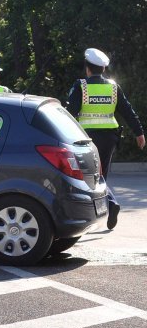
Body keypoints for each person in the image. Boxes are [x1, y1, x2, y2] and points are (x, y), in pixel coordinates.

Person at [66, 48, 145, 229]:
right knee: (101, 175)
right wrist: (139, 133)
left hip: (86, 139)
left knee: (91, 177)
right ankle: (110, 204)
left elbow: (70, 113)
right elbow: (127, 110)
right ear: (103, 69)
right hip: (109, 137)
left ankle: (110, 203)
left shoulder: (81, 86)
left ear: (87, 68)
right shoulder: (113, 86)